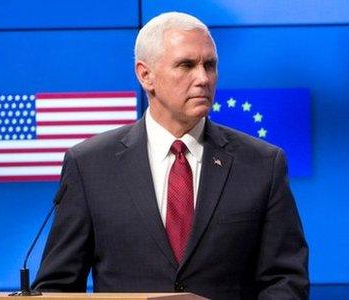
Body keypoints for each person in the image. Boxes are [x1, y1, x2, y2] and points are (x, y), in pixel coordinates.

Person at [32, 12, 309, 299]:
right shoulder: (90, 165)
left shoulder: (262, 163)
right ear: (145, 75)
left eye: (209, 65)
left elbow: (285, 280)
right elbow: (57, 286)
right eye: (186, 65)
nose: (203, 78)